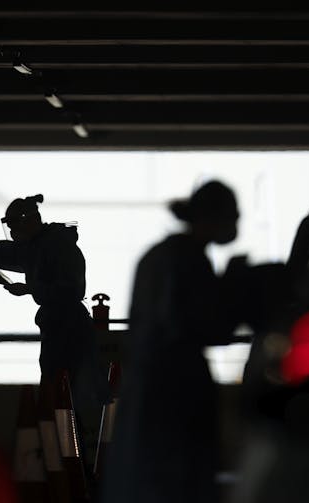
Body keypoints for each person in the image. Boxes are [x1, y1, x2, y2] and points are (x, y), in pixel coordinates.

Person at [101, 180, 242, 503]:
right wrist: (234, 290)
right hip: (177, 392)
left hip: (148, 389)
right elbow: (209, 327)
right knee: (178, 482)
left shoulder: (158, 256)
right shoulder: (190, 261)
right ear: (214, 217)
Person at [0, 194, 109, 471]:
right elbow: (2, 253)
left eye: (14, 226)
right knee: (62, 393)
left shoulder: (57, 247)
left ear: (30, 221)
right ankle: (67, 457)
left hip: (67, 328)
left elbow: (72, 290)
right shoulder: (41, 246)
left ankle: (69, 459)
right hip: (60, 325)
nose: (12, 233)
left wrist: (32, 289)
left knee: (62, 393)